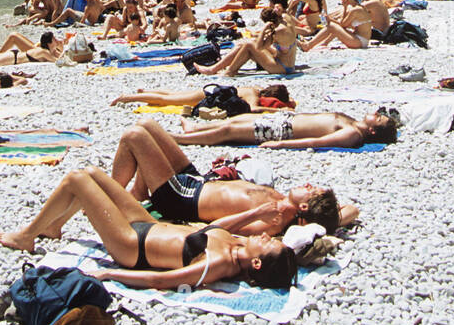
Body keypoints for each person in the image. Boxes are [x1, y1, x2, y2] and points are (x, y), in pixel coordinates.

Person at [0, 167, 298, 290]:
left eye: (269, 243)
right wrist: (256, 212)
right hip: (150, 226)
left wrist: (109, 274)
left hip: (132, 245)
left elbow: (162, 279)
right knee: (92, 174)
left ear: (256, 262)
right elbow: (212, 229)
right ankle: (55, 225)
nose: (264, 236)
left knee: (77, 179)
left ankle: (26, 237)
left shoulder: (219, 264)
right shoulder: (235, 244)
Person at [110, 118, 358, 234]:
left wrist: (256, 213)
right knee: (148, 125)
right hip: (198, 181)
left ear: (304, 205)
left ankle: (111, 200)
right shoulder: (284, 203)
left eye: (311, 190)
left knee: (134, 136)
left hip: (182, 198)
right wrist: (324, 222)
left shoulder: (272, 223)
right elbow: (351, 210)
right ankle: (137, 195)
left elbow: (212, 230)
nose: (308, 183)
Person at [174, 108, 398, 151]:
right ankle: (195, 128)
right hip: (285, 120)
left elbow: (316, 142)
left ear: (373, 132)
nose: (375, 114)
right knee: (235, 121)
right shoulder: (353, 122)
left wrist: (280, 144)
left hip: (284, 131)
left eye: (378, 119)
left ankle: (179, 139)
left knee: (229, 131)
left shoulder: (353, 133)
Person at [199, 8, 298, 77]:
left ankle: (229, 72)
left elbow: (259, 47)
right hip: (284, 61)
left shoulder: (278, 32)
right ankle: (214, 69)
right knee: (245, 43)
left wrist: (264, 29)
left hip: (283, 67)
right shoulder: (285, 18)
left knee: (249, 45)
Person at [111, 82, 295, 112]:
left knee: (173, 95)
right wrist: (274, 110)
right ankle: (128, 98)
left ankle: (143, 93)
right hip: (209, 95)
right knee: (167, 100)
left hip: (211, 91)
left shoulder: (255, 88)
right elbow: (254, 109)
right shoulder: (253, 95)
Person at [300, 0, 373, 51]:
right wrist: (345, 7)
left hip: (360, 41)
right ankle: (323, 43)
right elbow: (343, 24)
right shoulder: (359, 8)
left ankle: (308, 45)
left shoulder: (356, 10)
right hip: (361, 40)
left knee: (332, 26)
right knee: (335, 26)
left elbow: (343, 24)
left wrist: (330, 18)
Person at [0, 31, 64, 66]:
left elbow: (59, 58)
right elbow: (58, 62)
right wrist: (63, 49)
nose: (56, 40)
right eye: (54, 39)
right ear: (49, 43)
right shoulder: (44, 52)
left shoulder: (47, 51)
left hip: (13, 56)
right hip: (12, 57)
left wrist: (62, 48)